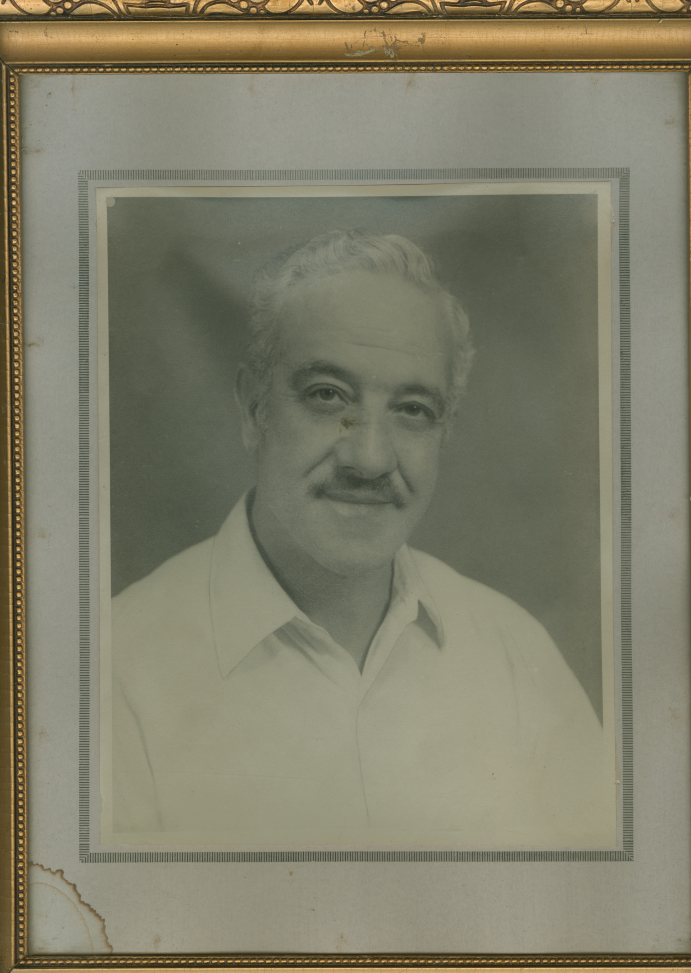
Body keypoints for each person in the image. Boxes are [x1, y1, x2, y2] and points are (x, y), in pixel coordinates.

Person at [109, 230, 616, 849]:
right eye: (329, 396)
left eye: (412, 409)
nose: (370, 459)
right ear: (252, 409)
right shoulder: (116, 675)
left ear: (445, 432)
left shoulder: (517, 656)